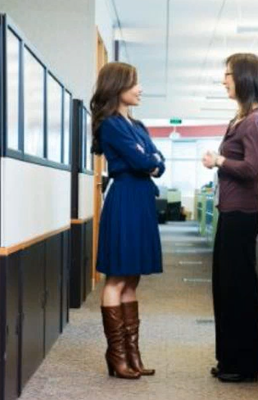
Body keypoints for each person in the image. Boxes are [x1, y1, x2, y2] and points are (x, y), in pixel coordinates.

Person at [90, 62, 165, 379]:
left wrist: (150, 160)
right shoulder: (110, 125)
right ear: (118, 86)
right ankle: (116, 356)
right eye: (135, 83)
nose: (140, 89)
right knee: (117, 278)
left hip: (142, 201)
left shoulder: (138, 126)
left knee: (133, 279)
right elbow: (141, 160)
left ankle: (133, 356)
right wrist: (148, 160)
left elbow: (158, 161)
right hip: (124, 201)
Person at [202, 53, 258, 383]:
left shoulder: (255, 121)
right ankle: (230, 359)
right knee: (226, 288)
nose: (224, 80)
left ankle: (245, 365)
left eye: (228, 74)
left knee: (238, 289)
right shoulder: (241, 119)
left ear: (244, 77)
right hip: (232, 212)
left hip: (243, 214)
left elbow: (253, 169)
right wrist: (222, 161)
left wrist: (219, 161)